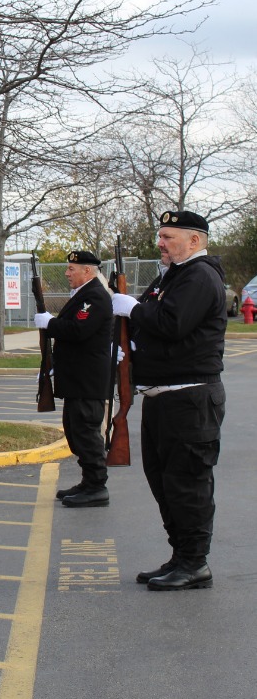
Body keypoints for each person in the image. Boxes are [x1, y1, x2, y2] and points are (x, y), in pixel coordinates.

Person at [112, 210, 226, 591]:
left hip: (190, 398)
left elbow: (171, 323)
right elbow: (153, 323)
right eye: (160, 236)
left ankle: (195, 563)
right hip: (163, 398)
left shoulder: (199, 275)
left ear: (194, 241)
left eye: (168, 237)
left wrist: (135, 309)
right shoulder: (173, 276)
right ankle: (180, 556)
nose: (160, 243)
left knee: (187, 483)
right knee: (164, 482)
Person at [34, 251, 113, 507]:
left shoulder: (95, 297)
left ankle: (97, 486)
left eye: (71, 269)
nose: (67, 273)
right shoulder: (83, 295)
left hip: (87, 380)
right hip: (77, 378)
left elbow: (79, 330)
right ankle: (88, 481)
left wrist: (50, 324)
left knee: (86, 432)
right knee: (75, 430)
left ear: (87, 271)